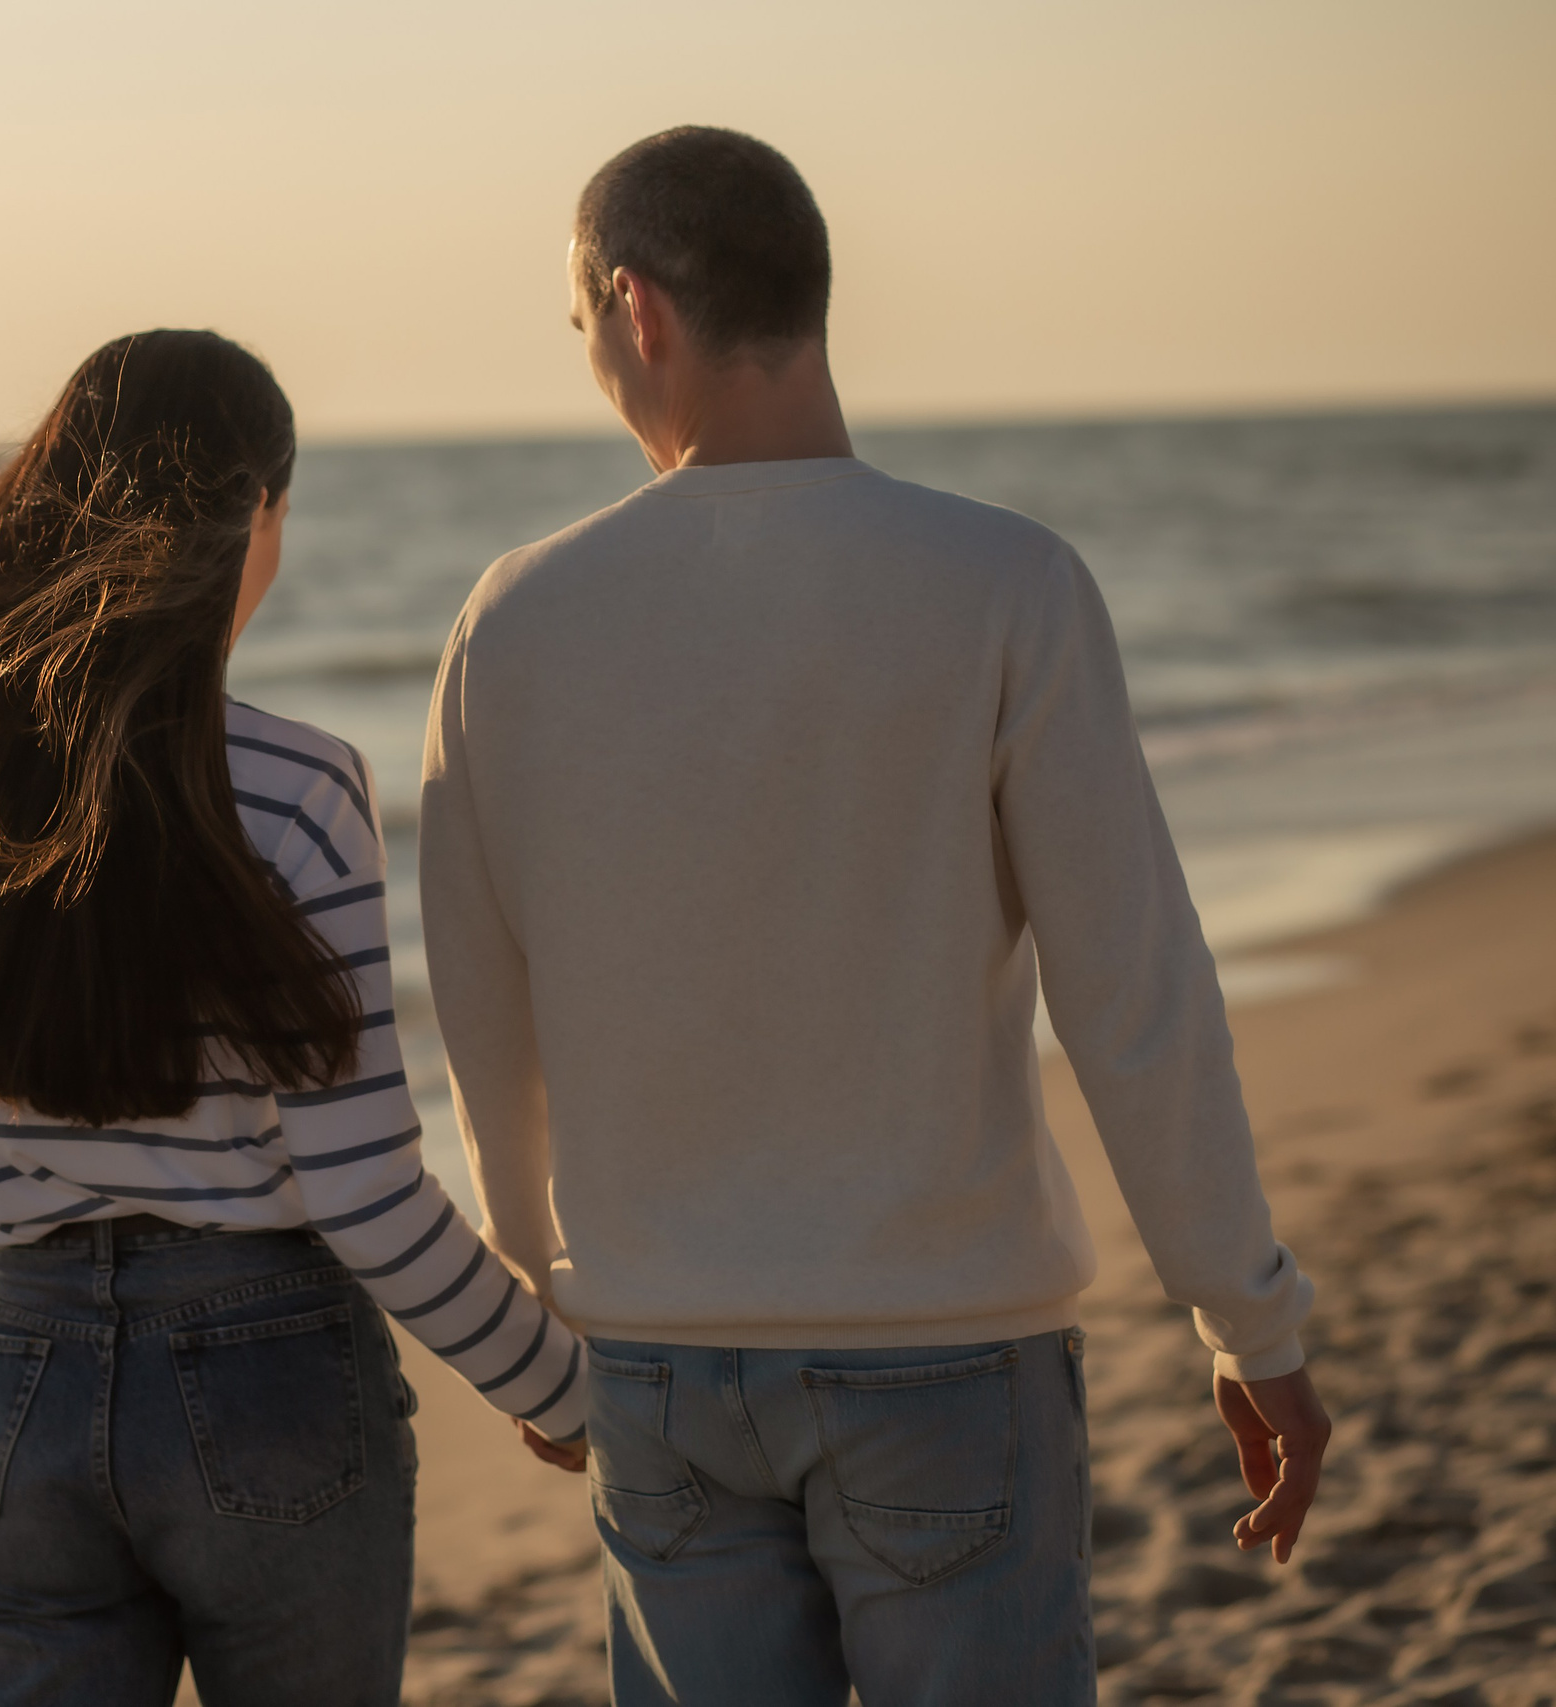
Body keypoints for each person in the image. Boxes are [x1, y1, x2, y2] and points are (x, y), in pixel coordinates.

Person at [419, 128, 1330, 1706]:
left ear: (637, 311)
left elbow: (484, 1006)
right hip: (948, 1352)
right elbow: (1135, 996)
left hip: (662, 1363)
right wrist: (1249, 1317)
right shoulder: (1005, 583)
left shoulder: (515, 621)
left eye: (582, 337)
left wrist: (534, 1286)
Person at [0, 329, 586, 1707]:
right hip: (266, 1374)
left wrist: (26, 1367)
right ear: (255, 512)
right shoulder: (301, 790)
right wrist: (559, 1389)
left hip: (20, 1371)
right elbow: (364, 1191)